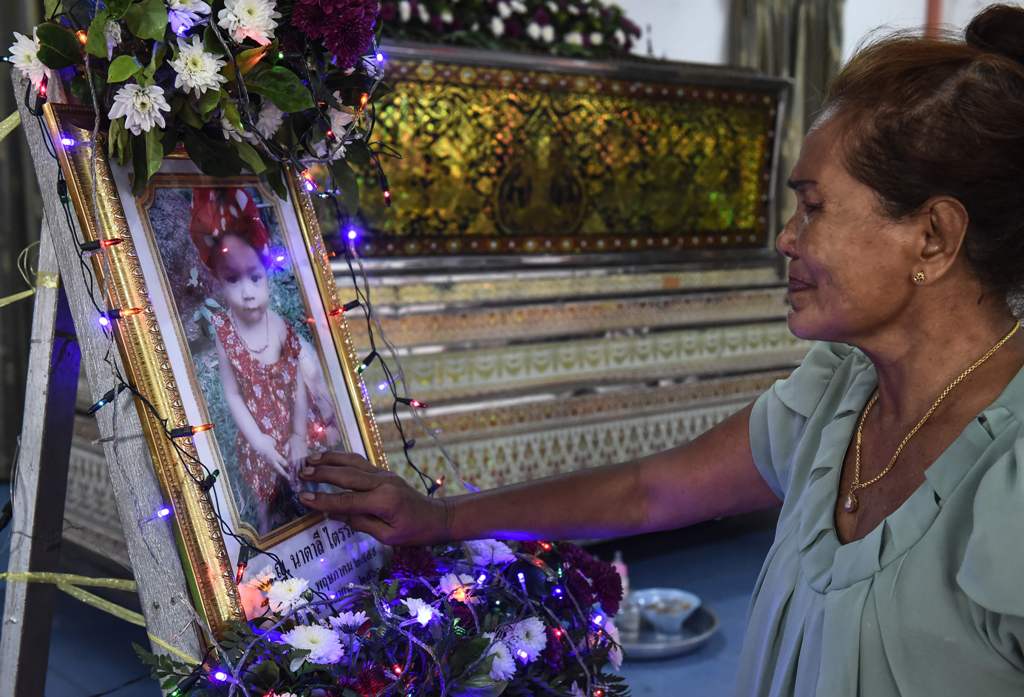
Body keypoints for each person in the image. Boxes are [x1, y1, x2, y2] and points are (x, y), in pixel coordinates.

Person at [296, 5, 1024, 695]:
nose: (787, 237)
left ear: (932, 236)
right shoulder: (841, 392)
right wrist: (442, 518)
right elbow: (653, 490)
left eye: (814, 205)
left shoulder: (1010, 474)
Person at [190, 187, 334, 534]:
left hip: (298, 433)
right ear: (218, 283)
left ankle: (321, 540)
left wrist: (298, 435)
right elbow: (233, 394)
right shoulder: (226, 333)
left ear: (267, 273)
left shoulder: (281, 328)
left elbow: (298, 383)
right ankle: (278, 555)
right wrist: (258, 440)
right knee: (271, 508)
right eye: (233, 279)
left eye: (255, 276)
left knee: (317, 499)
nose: (248, 291)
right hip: (261, 442)